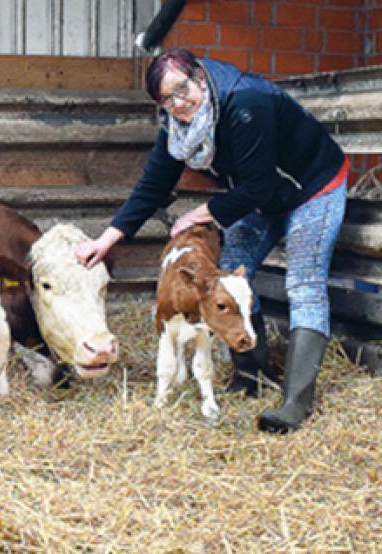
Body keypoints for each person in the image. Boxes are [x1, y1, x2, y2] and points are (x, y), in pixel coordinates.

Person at [75, 49, 348, 434]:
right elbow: (154, 184)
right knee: (232, 271)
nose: (177, 104)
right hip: (260, 195)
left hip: (312, 188)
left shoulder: (246, 103)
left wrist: (201, 213)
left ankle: (294, 403)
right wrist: (107, 239)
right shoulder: (177, 125)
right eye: (165, 99)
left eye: (182, 90)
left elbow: (258, 185)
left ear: (200, 79)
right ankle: (250, 377)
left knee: (303, 283)